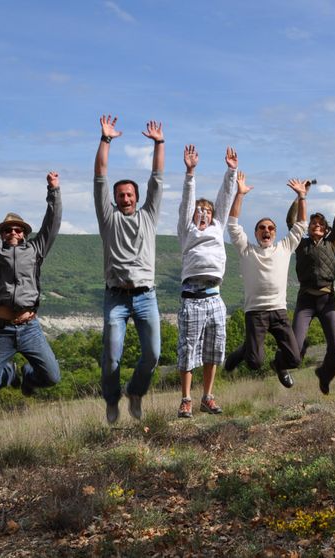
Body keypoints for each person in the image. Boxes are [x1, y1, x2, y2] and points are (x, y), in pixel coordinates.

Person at [0, 168, 62, 395]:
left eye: (18, 229)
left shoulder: (36, 249)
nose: (13, 232)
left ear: (24, 233)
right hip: (1, 329)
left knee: (52, 377)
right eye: (8, 230)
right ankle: (8, 372)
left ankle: (27, 374)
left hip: (29, 327)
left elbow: (52, 224)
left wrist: (54, 191)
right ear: (2, 234)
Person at [93, 115, 164, 424]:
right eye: (120, 195)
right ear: (114, 199)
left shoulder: (148, 216)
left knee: (153, 354)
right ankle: (112, 400)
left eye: (129, 195)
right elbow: (99, 176)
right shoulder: (108, 219)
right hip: (116, 297)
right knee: (110, 357)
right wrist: (105, 140)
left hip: (146, 296)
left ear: (137, 198)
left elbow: (157, 179)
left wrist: (160, 144)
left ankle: (135, 392)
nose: (125, 198)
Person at [223, 174, 308, 388]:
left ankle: (279, 366)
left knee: (295, 359)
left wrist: (302, 196)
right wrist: (240, 194)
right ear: (255, 233)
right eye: (262, 228)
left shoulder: (285, 247)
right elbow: (232, 225)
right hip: (256, 313)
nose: (266, 231)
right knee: (254, 362)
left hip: (279, 311)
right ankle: (246, 350)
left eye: (270, 228)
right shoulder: (246, 250)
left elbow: (301, 225)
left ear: (275, 233)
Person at [175, 145, 239, 417]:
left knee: (215, 348)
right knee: (188, 350)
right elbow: (187, 202)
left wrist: (231, 171)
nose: (203, 214)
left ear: (213, 216)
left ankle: (207, 396)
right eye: (199, 211)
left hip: (214, 297)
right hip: (192, 297)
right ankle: (186, 399)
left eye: (207, 211)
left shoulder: (217, 227)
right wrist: (190, 173)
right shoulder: (187, 230)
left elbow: (224, 199)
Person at [285, 174, 335, 395]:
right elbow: (290, 221)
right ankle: (281, 365)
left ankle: (325, 375)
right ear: (309, 228)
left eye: (320, 224)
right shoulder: (301, 244)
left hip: (327, 300)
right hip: (305, 300)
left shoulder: (331, 243)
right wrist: (300, 196)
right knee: (295, 348)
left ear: (325, 230)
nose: (316, 225)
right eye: (313, 223)